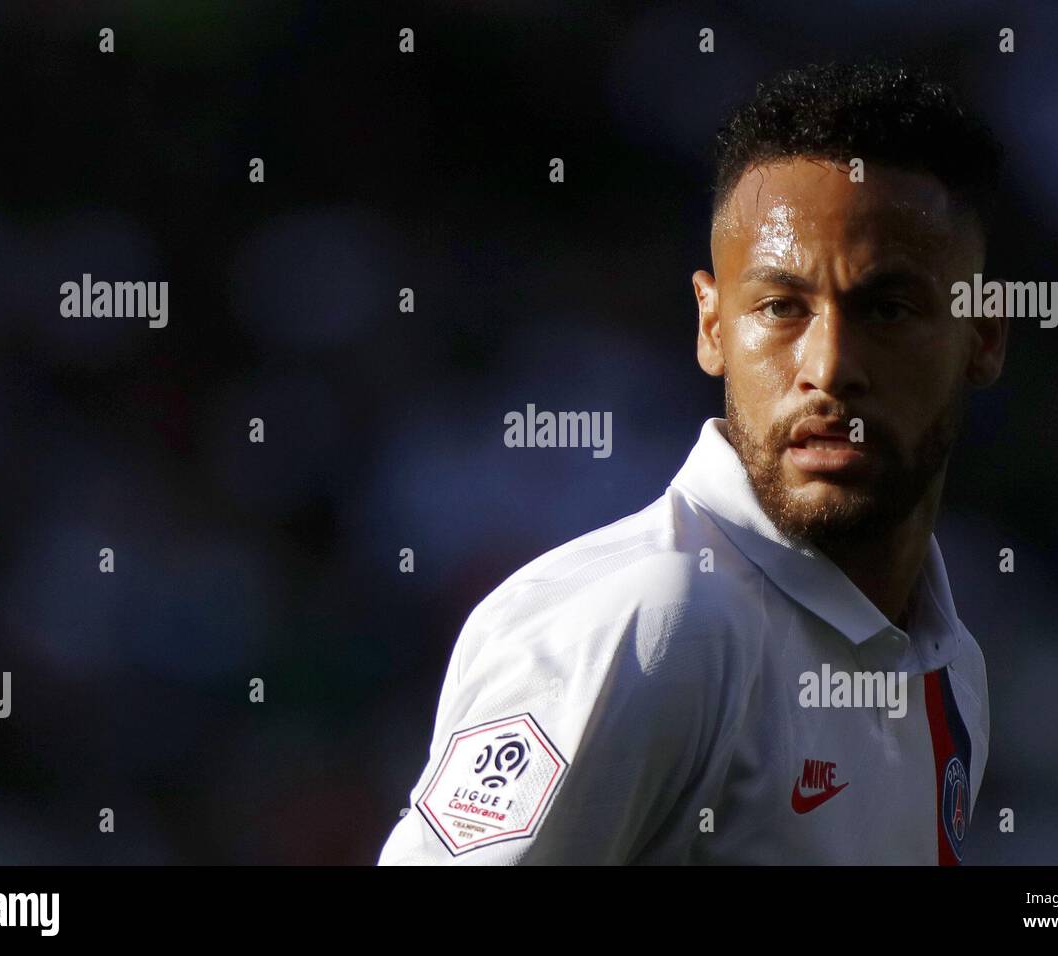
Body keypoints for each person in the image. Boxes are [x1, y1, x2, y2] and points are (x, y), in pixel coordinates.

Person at [378, 59, 1007, 865]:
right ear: (713, 326)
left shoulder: (952, 666)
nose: (829, 365)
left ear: (984, 337)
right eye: (781, 307)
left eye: (888, 308)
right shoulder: (649, 622)